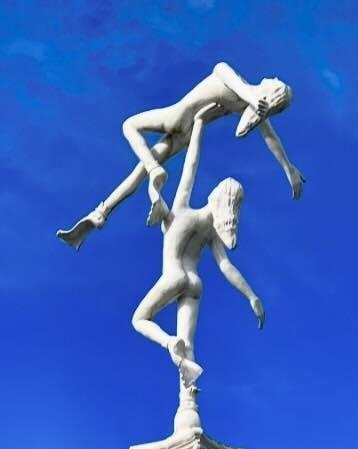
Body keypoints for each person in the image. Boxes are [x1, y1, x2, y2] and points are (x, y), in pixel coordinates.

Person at [57, 63, 303, 249]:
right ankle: (100, 213)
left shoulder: (231, 76)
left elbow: (232, 81)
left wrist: (287, 165)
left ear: (271, 88)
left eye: (275, 81)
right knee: (137, 174)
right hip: (188, 134)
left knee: (129, 126)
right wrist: (288, 168)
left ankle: (154, 171)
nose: (273, 76)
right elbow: (271, 139)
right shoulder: (246, 104)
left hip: (176, 117)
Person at [130, 105, 264, 387]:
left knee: (140, 319)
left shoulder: (181, 210)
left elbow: (191, 165)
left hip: (174, 276)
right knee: (189, 349)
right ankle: (188, 394)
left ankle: (169, 343)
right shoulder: (211, 234)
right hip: (195, 284)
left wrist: (199, 124)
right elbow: (226, 266)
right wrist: (252, 297)